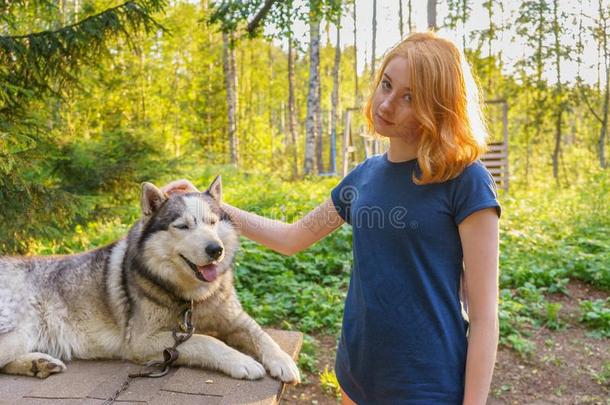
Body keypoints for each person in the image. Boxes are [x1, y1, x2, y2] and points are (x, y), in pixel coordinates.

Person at [163, 31, 501, 405]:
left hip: (428, 386)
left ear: (438, 107)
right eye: (386, 85)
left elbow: (485, 315)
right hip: (357, 377)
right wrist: (209, 206)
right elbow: (291, 238)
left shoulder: (465, 179)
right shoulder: (365, 176)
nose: (386, 104)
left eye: (410, 98)